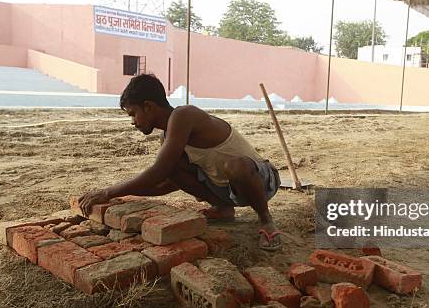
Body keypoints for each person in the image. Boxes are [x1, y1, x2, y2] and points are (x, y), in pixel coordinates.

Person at [78, 74, 282, 250]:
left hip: (261, 183)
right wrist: (120, 196)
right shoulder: (168, 136)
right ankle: (223, 209)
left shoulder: (184, 115)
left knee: (235, 166)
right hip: (228, 190)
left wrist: (108, 192)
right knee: (173, 166)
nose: (133, 122)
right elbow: (166, 182)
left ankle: (266, 220)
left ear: (148, 106)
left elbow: (157, 171)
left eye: (133, 114)